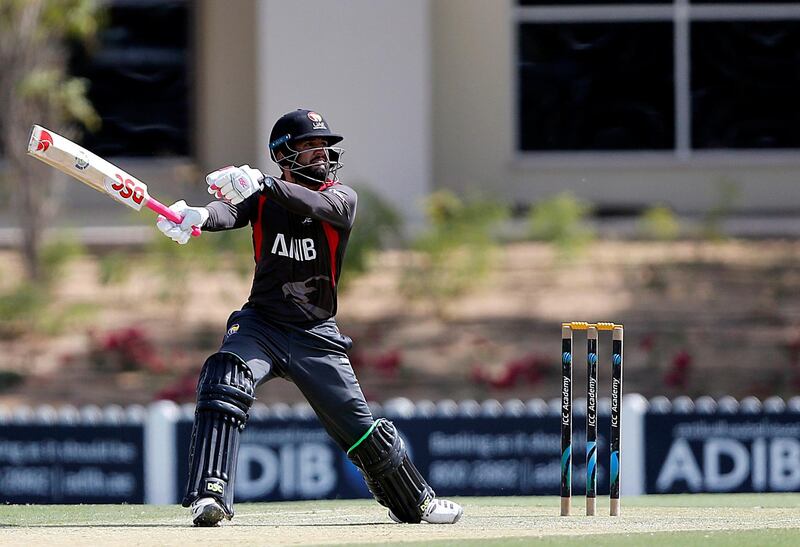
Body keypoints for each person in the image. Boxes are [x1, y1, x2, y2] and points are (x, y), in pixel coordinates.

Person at [156, 109, 463, 527]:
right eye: (308, 147)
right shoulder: (263, 198)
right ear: (284, 155)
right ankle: (209, 495)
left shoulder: (342, 198)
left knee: (363, 433)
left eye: (324, 147)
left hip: (316, 335)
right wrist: (197, 216)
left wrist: (264, 183)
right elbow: (229, 212)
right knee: (225, 377)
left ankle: (418, 503)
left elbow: (313, 204)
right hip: (261, 325)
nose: (321, 155)